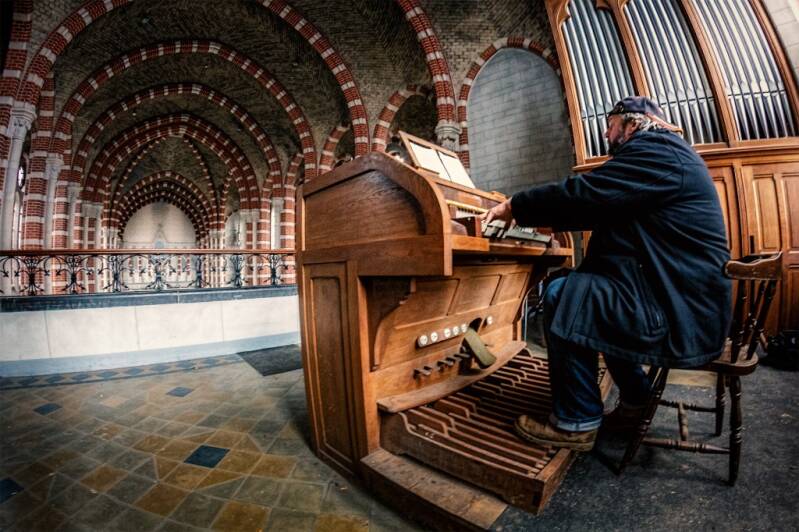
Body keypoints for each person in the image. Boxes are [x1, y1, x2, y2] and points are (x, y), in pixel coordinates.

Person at [482, 96, 732, 451]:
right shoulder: (668, 155)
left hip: (677, 312)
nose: (605, 131)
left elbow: (588, 192)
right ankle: (636, 400)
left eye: (610, 124)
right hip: (678, 301)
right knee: (592, 293)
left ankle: (576, 423)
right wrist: (551, 219)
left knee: (564, 294)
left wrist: (514, 206)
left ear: (632, 123)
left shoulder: (658, 151)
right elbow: (604, 206)